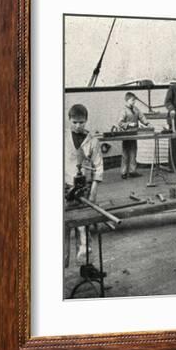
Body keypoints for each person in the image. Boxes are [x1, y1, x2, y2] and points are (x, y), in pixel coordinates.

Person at [65, 104, 104, 262]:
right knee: (64, 225)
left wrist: (93, 190)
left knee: (84, 225)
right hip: (65, 186)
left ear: (86, 121)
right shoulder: (62, 137)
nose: (78, 126)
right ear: (69, 120)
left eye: (81, 122)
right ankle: (63, 262)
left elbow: (99, 166)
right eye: (74, 122)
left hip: (84, 187)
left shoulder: (93, 141)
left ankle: (86, 260)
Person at [117, 92, 151, 179]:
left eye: (134, 100)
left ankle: (132, 171)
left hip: (134, 134)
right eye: (132, 100)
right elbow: (120, 123)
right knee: (125, 153)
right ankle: (123, 172)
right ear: (127, 100)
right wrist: (128, 124)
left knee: (133, 152)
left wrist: (147, 123)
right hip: (126, 134)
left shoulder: (136, 109)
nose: (134, 102)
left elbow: (141, 117)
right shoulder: (123, 110)